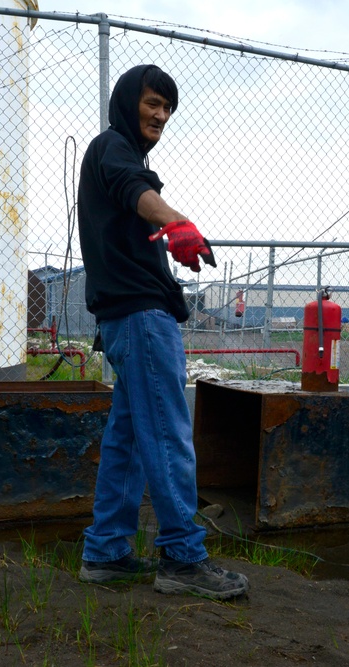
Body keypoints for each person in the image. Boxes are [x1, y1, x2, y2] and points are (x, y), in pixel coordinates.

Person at [76, 64, 249, 600]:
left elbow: (136, 195)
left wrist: (163, 229)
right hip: (140, 318)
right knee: (171, 436)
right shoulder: (113, 149)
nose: (160, 114)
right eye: (152, 102)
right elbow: (138, 192)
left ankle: (106, 552)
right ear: (128, 102)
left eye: (168, 107)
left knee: (127, 441)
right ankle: (181, 557)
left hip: (126, 319)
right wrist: (175, 221)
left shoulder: (117, 155)